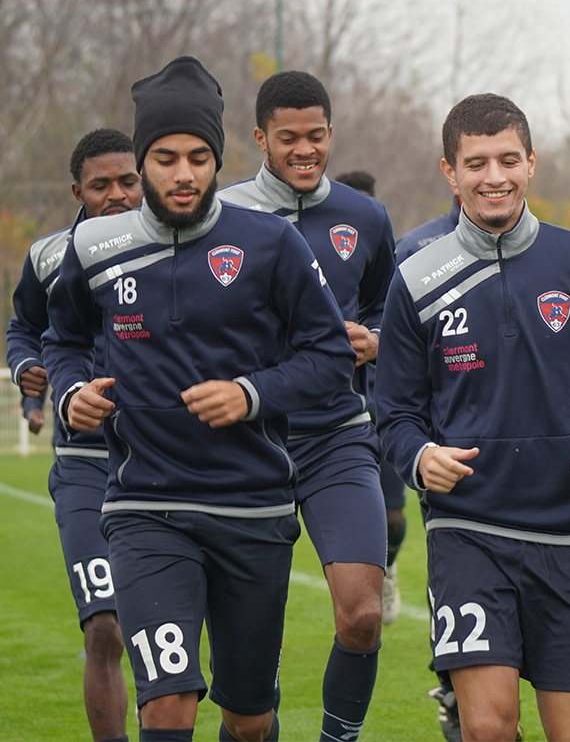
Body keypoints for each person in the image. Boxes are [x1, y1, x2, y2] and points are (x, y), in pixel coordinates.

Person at [43, 56, 357, 742]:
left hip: (253, 508)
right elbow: (60, 337)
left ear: (218, 159)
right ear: (143, 162)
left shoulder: (270, 243)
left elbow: (331, 356)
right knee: (167, 705)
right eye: (165, 159)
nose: (183, 173)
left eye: (198, 157)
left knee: (248, 719)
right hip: (145, 509)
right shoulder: (96, 247)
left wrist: (251, 394)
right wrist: (69, 393)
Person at [376, 93, 570, 742]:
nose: (495, 177)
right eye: (476, 163)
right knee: (488, 727)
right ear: (450, 173)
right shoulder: (416, 278)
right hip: (467, 531)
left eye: (508, 160)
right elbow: (393, 410)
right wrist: (420, 458)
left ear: (532, 162)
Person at [219, 72, 396, 742]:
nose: (304, 150)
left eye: (315, 136)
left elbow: (388, 311)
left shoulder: (365, 216)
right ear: (260, 138)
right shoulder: (222, 213)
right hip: (247, 445)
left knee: (363, 614)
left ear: (331, 134)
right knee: (247, 704)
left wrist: (374, 339)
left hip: (336, 438)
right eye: (287, 138)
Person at [6, 128, 142, 742]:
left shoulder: (182, 251)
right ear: (77, 192)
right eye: (100, 185)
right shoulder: (48, 257)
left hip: (168, 463)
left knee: (176, 631)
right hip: (85, 464)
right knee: (105, 629)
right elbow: (24, 330)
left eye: (128, 181)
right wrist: (26, 372)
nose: (117, 195)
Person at [335, 169, 409, 630]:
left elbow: (402, 325)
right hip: (334, 415)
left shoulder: (388, 255)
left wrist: (379, 340)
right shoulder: (314, 257)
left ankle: (389, 566)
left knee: (395, 519)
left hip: (386, 407)